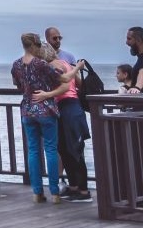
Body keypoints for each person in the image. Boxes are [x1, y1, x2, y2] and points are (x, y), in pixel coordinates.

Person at [11, 33, 69, 204]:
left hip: (27, 110)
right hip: (46, 110)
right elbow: (61, 79)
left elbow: (18, 85)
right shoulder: (41, 64)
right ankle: (55, 192)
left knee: (33, 150)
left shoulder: (16, 64)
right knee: (50, 149)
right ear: (35, 45)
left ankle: (37, 192)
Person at [48, 53, 92, 203]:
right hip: (63, 107)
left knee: (75, 150)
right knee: (64, 149)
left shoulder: (57, 65)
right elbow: (77, 83)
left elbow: (67, 83)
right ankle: (73, 187)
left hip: (70, 107)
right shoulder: (61, 64)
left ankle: (84, 191)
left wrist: (46, 94)